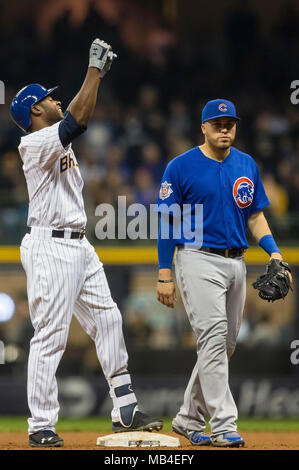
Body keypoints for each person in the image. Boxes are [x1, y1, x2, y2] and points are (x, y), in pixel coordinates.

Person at [10, 38, 162, 448]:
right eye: (49, 99)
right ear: (35, 110)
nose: (56, 101)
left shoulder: (57, 139)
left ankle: (125, 408)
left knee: (108, 319)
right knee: (51, 335)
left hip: (79, 244)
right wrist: (93, 71)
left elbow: (77, 117)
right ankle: (41, 424)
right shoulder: (34, 143)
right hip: (51, 246)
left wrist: (95, 75)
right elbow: (77, 119)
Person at [155, 99, 292, 447]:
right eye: (217, 124)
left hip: (237, 261)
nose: (224, 128)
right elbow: (168, 222)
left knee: (226, 345)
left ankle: (187, 418)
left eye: (230, 123)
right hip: (196, 258)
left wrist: (274, 251)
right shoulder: (181, 166)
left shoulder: (246, 163)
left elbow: (255, 215)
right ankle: (224, 425)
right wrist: (163, 272)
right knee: (214, 339)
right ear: (203, 127)